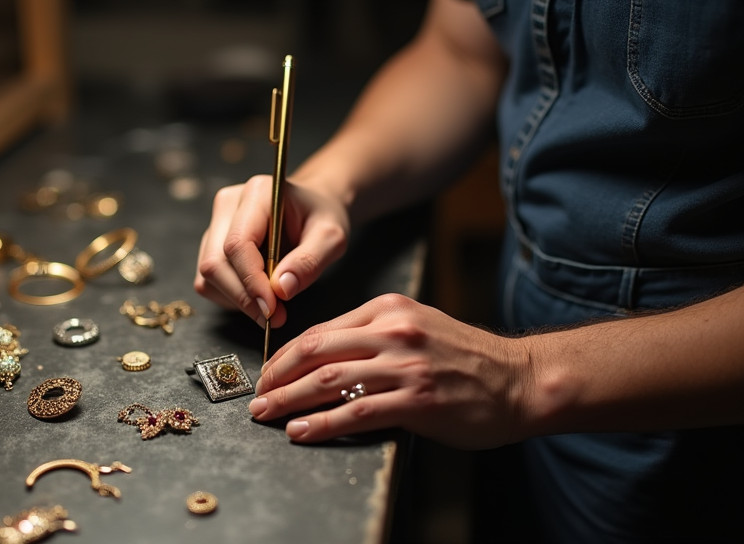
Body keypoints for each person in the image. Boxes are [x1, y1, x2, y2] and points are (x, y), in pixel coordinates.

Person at [195, 0, 744, 541]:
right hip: (516, 335)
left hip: (692, 418)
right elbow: (461, 54)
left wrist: (521, 379)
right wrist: (330, 185)